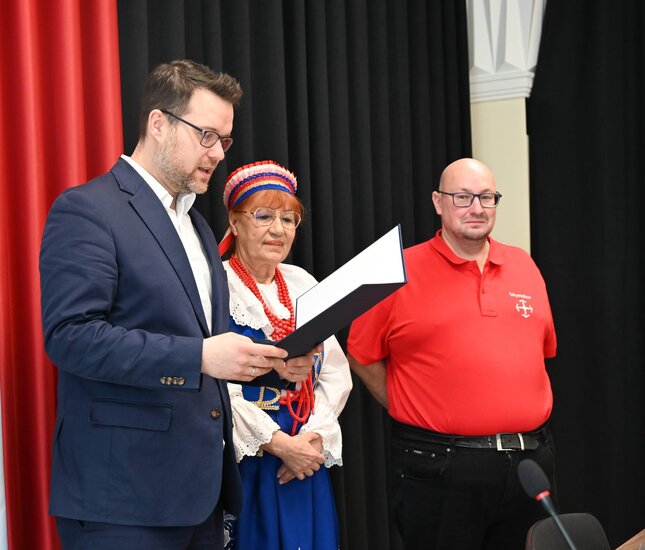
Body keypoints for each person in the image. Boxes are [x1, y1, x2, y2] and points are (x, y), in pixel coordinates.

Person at [39, 60, 316, 550]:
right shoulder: (88, 209)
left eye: (224, 140)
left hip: (201, 496)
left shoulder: (198, 225)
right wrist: (200, 356)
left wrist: (273, 369)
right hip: (123, 500)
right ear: (158, 123)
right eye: (206, 135)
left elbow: (207, 349)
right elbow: (71, 337)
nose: (217, 153)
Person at [347, 158, 558, 549]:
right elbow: (361, 355)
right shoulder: (396, 271)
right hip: (440, 468)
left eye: (487, 197)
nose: (476, 208)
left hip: (529, 463)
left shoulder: (524, 265)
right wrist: (408, 403)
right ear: (438, 202)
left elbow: (539, 353)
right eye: (463, 197)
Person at [217, 160, 353, 550]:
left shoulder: (301, 282)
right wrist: (276, 442)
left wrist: (314, 438)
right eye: (264, 216)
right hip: (248, 453)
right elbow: (212, 383)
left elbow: (335, 373)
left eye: (289, 219)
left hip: (305, 454)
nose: (278, 230)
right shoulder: (216, 286)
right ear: (235, 221)